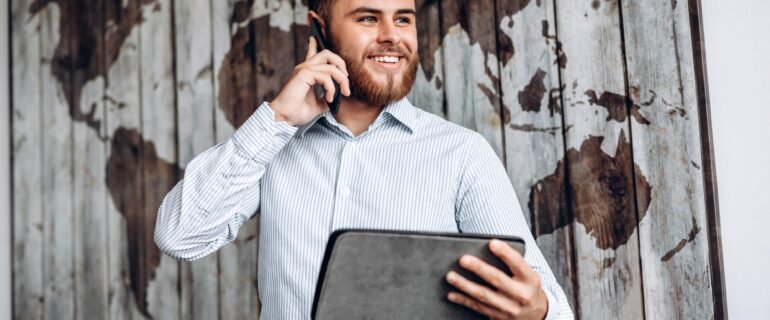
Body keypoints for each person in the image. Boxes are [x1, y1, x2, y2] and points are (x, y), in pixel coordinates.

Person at [154, 0, 574, 319]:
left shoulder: (461, 154)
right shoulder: (273, 144)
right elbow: (180, 236)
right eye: (368, 18)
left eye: (404, 18)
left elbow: (549, 305)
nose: (392, 35)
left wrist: (536, 311)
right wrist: (278, 119)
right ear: (320, 30)